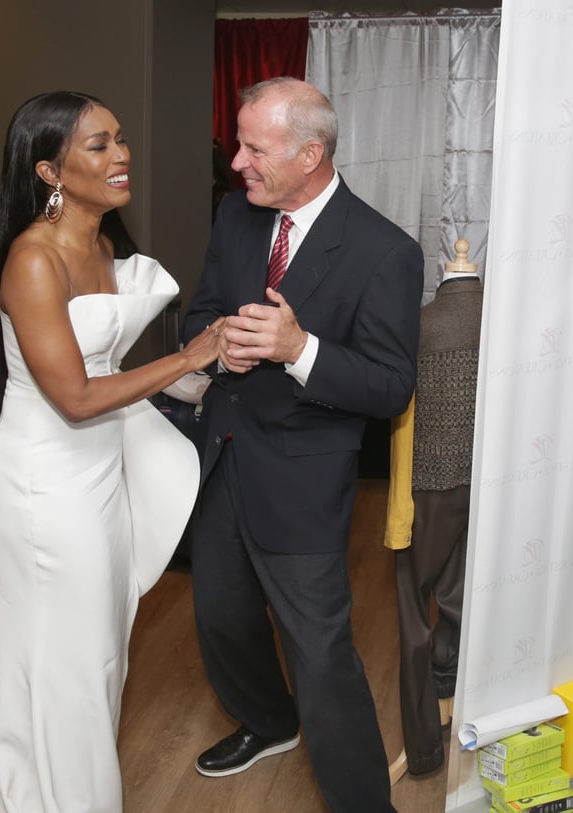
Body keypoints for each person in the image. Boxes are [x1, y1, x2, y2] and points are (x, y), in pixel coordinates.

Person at [0, 90, 224, 813]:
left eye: (119, 138)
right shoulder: (32, 260)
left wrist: (198, 377)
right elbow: (73, 396)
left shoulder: (104, 246)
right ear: (49, 171)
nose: (122, 154)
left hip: (98, 471)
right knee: (64, 658)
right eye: (99, 145)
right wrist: (186, 356)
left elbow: (101, 377)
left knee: (99, 651)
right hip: (44, 484)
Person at [183, 76, 424, 812]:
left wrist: (299, 347)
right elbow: (199, 311)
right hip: (223, 454)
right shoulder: (236, 217)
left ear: (310, 153)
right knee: (219, 617)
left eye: (256, 149)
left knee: (320, 656)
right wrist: (220, 346)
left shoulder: (386, 251)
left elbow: (390, 387)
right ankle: (268, 720)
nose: (238, 164)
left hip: (302, 479)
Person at [386, 239, 483, 783]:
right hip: (492, 484)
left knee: (412, 607)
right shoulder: (503, 325)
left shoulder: (419, 326)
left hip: (428, 486)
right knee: (461, 594)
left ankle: (423, 750)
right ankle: (455, 692)